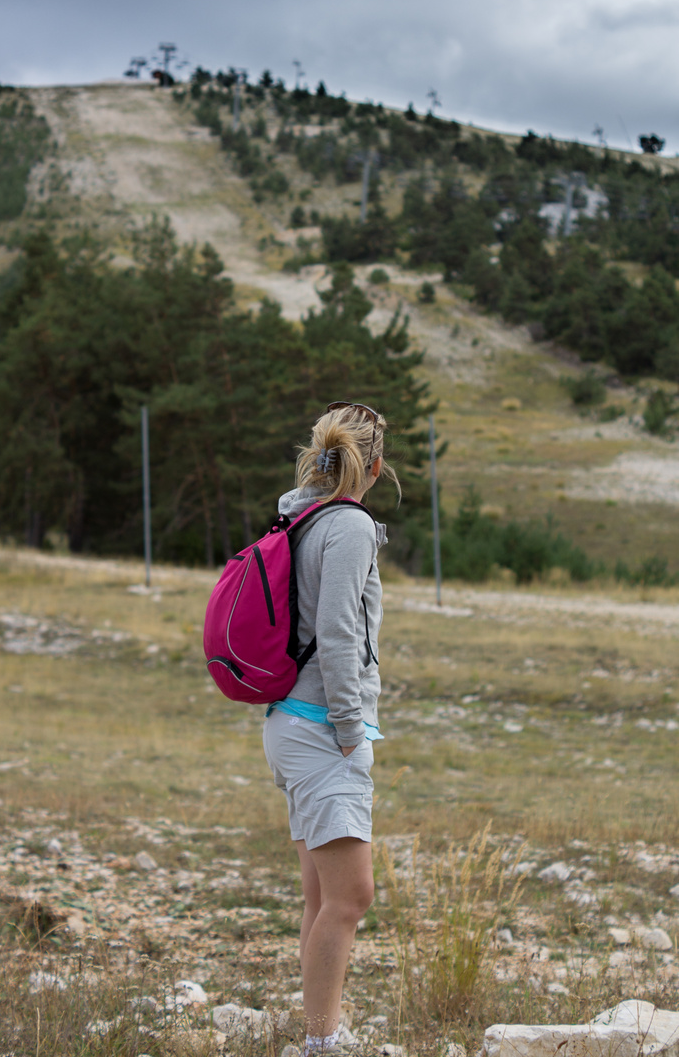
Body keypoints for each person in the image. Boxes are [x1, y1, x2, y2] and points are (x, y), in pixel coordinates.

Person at [263, 401, 400, 1056]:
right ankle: (322, 1043)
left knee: (322, 896)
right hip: (321, 727)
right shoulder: (347, 525)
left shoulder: (301, 515)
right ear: (374, 465)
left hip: (290, 719)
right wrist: (352, 728)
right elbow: (342, 632)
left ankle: (324, 1030)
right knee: (351, 896)